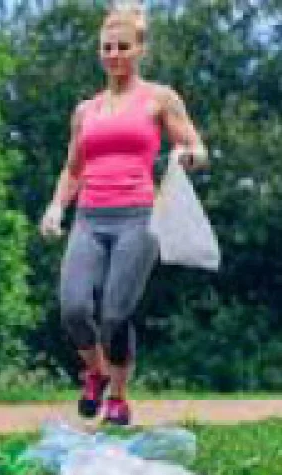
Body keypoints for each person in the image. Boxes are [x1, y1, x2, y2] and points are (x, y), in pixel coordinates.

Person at [39, 3, 208, 426]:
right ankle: (94, 373)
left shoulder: (159, 99)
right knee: (74, 307)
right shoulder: (86, 110)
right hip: (89, 217)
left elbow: (198, 148)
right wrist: (57, 205)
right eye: (106, 47)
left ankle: (118, 395)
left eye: (122, 47)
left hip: (138, 216)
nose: (113, 54)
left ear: (139, 50)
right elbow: (73, 168)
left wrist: (188, 155)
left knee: (115, 313)